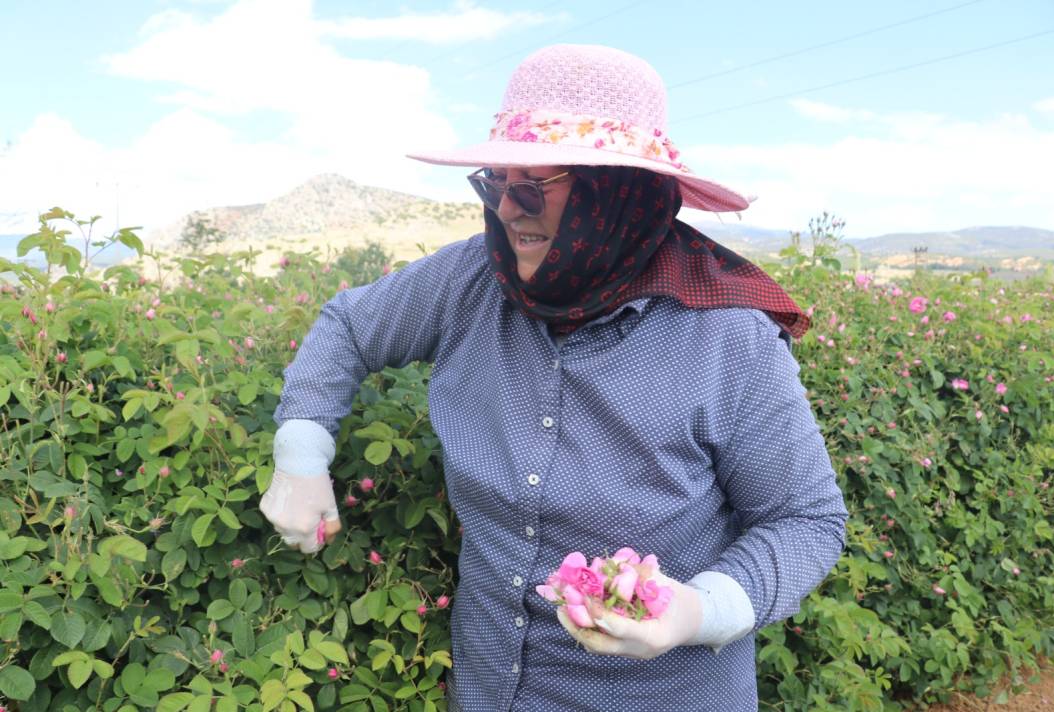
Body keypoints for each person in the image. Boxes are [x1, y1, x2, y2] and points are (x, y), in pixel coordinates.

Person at [260, 44, 847, 711]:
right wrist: (300, 454)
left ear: (617, 192)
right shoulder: (469, 280)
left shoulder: (726, 339)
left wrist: (697, 611)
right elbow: (349, 325)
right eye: (497, 184)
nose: (508, 210)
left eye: (533, 187)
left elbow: (805, 520)